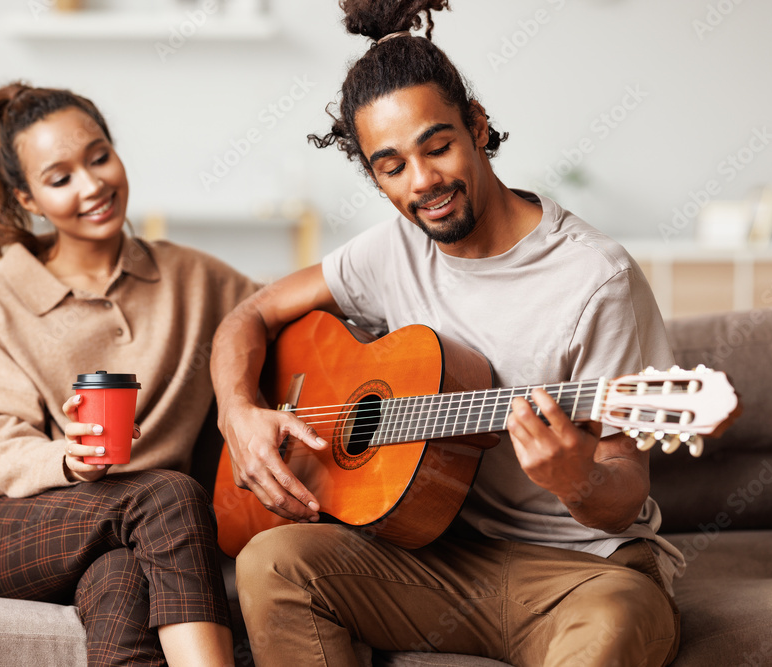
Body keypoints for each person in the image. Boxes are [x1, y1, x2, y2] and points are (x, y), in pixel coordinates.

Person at [209, 2, 684, 666]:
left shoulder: (595, 278)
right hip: (434, 560)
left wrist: (577, 480)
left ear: (478, 126)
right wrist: (240, 412)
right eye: (392, 165)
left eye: (438, 146)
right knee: (271, 561)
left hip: (581, 571)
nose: (423, 181)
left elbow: (625, 480)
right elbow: (248, 316)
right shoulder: (389, 252)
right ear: (373, 176)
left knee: (623, 619)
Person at [0, 82, 256, 667]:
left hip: (134, 535)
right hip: (0, 522)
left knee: (121, 582)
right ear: (27, 198)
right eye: (59, 179)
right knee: (167, 495)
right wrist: (67, 458)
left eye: (99, 157)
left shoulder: (190, 277)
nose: (92, 186)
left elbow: (279, 316)